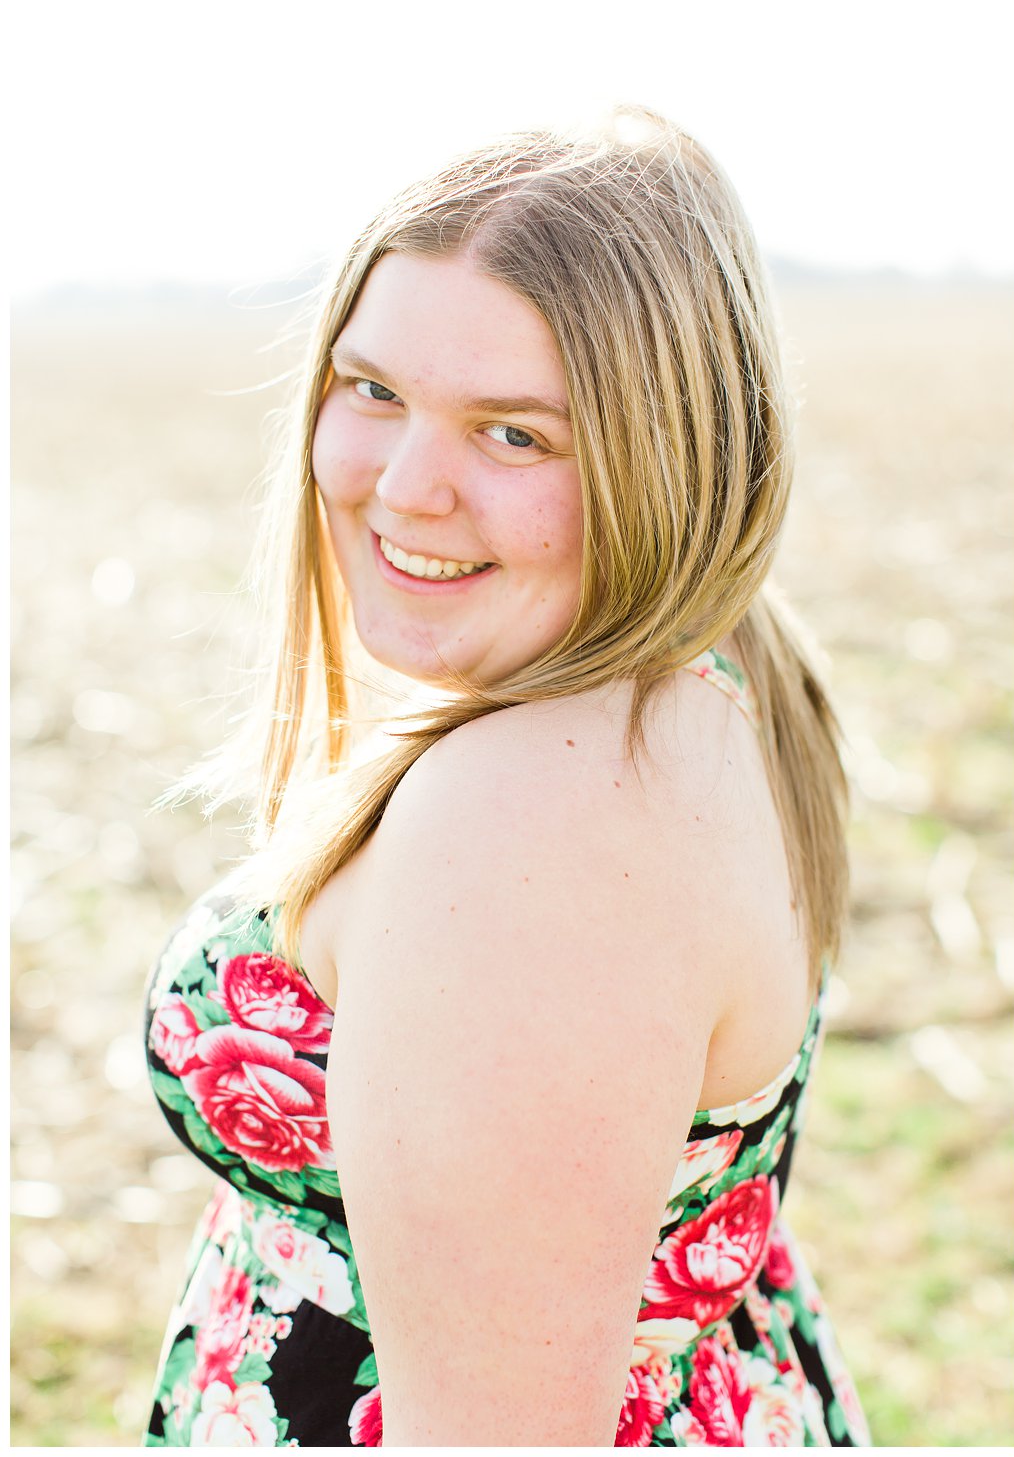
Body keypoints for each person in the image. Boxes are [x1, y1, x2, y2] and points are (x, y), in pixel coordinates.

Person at [143, 108, 870, 1446]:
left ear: (675, 454)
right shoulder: (711, 669)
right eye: (372, 391)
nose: (406, 486)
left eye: (514, 434)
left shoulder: (539, 810)